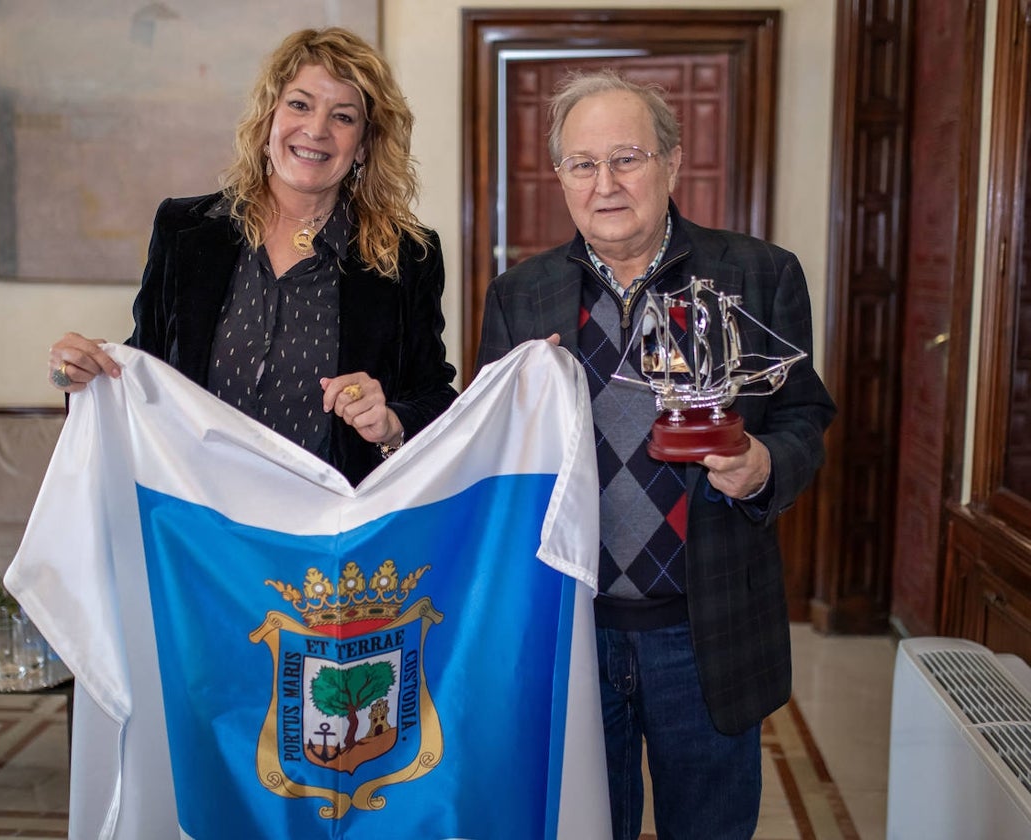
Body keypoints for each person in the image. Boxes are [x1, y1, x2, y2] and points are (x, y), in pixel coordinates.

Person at [475, 70, 836, 839]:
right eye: (582, 164)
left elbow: (806, 416)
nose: (605, 184)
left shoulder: (759, 276)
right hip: (571, 630)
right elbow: (491, 456)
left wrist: (764, 465)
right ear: (562, 178)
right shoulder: (519, 296)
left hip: (707, 630)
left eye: (627, 158)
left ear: (672, 164)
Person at [47, 27, 456, 486]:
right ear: (268, 120)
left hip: (327, 533)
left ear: (363, 144)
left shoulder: (407, 256)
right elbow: (143, 374)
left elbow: (435, 395)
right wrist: (79, 374)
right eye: (299, 105)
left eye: (343, 117)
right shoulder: (184, 230)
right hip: (195, 520)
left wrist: (392, 422)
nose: (316, 130)